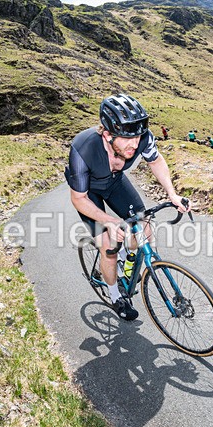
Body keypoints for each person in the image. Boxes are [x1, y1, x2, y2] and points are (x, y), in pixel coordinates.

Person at [65, 93, 190, 320]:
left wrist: (172, 194)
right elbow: (79, 199)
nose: (134, 144)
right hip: (89, 192)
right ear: (107, 135)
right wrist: (110, 221)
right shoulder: (84, 148)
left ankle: (128, 259)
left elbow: (155, 161)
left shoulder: (142, 138)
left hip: (115, 182)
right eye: (126, 138)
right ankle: (116, 296)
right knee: (109, 247)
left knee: (145, 227)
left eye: (137, 137)